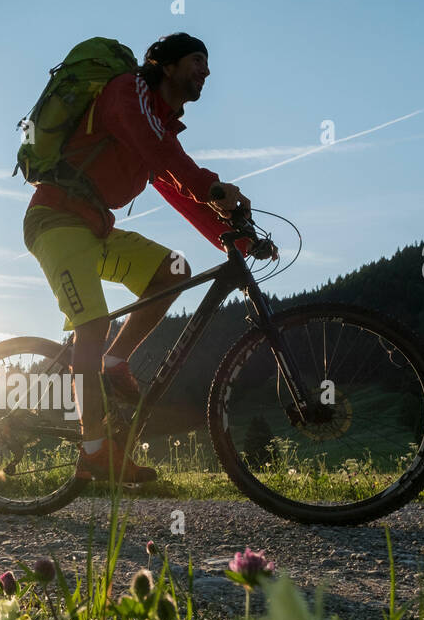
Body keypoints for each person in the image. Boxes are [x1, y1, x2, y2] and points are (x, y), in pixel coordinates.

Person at [23, 32, 275, 482]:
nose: (207, 71)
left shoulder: (158, 121)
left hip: (96, 228)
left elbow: (179, 188)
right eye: (198, 60)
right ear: (167, 64)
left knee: (173, 272)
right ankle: (94, 449)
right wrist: (213, 187)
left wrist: (235, 240)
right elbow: (167, 160)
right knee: (92, 325)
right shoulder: (127, 93)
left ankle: (114, 363)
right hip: (55, 221)